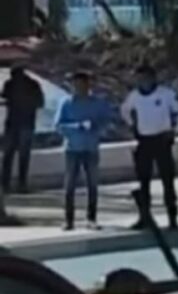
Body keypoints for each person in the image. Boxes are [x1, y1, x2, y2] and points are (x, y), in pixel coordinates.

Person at [120, 65, 178, 230]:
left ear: (153, 78)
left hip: (162, 140)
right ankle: (145, 218)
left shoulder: (165, 94)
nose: (142, 81)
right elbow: (124, 110)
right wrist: (132, 125)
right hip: (144, 141)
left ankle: (172, 219)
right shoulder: (134, 96)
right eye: (139, 78)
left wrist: (176, 130)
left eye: (145, 78)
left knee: (168, 181)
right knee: (144, 182)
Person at [54, 72, 113, 231]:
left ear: (88, 86)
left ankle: (91, 218)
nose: (80, 88)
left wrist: (97, 127)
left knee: (92, 185)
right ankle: (69, 220)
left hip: (91, 148)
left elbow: (107, 121)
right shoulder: (66, 103)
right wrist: (77, 126)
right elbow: (58, 125)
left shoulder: (97, 103)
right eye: (76, 85)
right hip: (72, 149)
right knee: (69, 186)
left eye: (83, 85)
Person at [2, 65, 44, 194]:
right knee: (15, 156)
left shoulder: (29, 85)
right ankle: (12, 184)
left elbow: (40, 102)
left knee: (15, 156)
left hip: (21, 124)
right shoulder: (13, 84)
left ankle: (13, 184)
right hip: (19, 124)